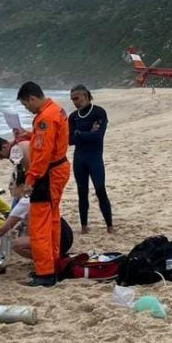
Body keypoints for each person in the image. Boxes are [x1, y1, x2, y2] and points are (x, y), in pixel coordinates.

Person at [17, 81, 70, 287]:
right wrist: (29, 135)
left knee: (39, 225)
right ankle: (54, 263)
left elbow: (41, 155)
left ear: (32, 98)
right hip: (58, 169)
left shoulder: (45, 118)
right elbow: (50, 140)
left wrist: (30, 180)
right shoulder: (56, 110)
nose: (26, 109)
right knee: (53, 219)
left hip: (48, 175)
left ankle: (45, 272)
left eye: (25, 105)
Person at [68, 84, 113, 235]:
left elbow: (98, 136)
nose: (75, 102)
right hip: (79, 158)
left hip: (94, 157)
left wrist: (80, 133)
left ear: (86, 96)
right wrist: (85, 133)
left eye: (77, 98)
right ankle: (84, 225)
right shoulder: (73, 117)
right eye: (72, 99)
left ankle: (109, 226)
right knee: (82, 191)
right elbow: (70, 140)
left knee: (100, 190)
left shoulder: (99, 112)